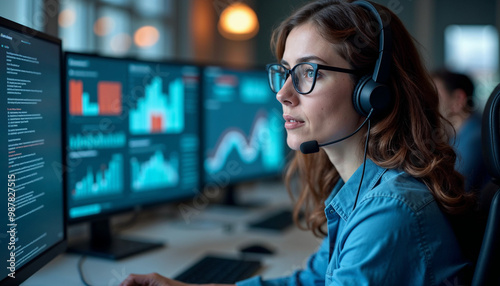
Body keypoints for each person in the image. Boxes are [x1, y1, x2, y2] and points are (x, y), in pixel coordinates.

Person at [120, 0, 475, 285]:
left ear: (371, 93)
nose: (284, 95)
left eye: (309, 72)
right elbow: (310, 280)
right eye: (285, 72)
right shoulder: (364, 190)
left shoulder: (388, 213)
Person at [432, 68, 490, 193]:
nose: (428, 101)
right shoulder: (465, 132)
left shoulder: (475, 139)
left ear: (458, 99)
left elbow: (453, 192)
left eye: (434, 94)